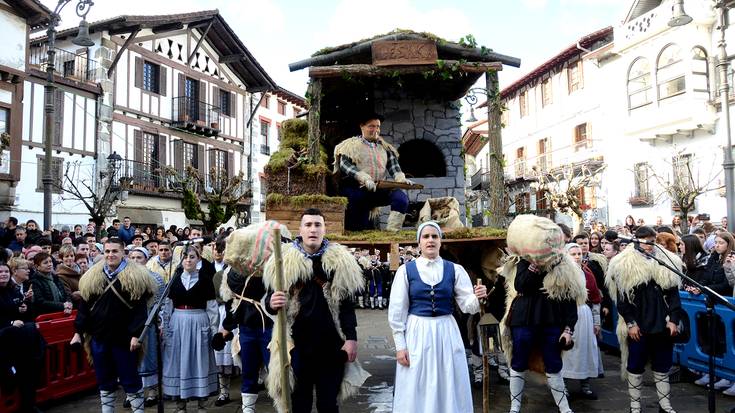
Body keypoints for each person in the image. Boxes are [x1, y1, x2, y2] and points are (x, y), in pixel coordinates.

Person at [266, 208, 367, 413]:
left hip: (331, 346)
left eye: (317, 225)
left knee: (328, 404)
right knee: (300, 403)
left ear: (324, 229)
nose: (313, 229)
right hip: (295, 346)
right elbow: (270, 296)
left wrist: (351, 338)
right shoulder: (282, 260)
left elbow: (347, 305)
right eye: (308, 225)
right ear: (300, 229)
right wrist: (271, 302)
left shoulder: (340, 261)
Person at [388, 222, 487, 412]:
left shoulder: (455, 270)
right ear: (419, 243)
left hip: (446, 331)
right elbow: (397, 311)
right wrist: (400, 346)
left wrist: (478, 297)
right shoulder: (405, 271)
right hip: (417, 333)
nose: (430, 240)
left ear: (441, 241)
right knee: (417, 382)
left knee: (447, 379)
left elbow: (468, 306)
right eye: (426, 237)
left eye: (435, 236)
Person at [500, 217, 585, 413]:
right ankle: (515, 407)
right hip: (525, 319)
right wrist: (535, 264)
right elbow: (521, 286)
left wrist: (568, 329)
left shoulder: (564, 265)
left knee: (553, 362)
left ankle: (564, 408)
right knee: (518, 360)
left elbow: (570, 299)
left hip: (551, 320)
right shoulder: (523, 261)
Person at [70, 237, 158, 413]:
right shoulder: (92, 277)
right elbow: (85, 308)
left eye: (114, 251)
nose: (110, 255)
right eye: (107, 251)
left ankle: (138, 411)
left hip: (125, 339)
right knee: (104, 380)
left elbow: (140, 311)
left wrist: (136, 335)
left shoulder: (136, 278)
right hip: (99, 337)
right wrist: (78, 332)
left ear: (123, 252)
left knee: (130, 379)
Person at [606, 226, 683, 413]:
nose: (650, 246)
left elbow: (673, 294)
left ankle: (665, 406)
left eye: (652, 241)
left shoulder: (666, 260)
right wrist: (631, 323)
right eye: (646, 242)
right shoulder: (622, 264)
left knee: (663, 364)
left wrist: (673, 318)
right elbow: (622, 300)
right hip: (638, 323)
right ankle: (635, 407)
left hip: (662, 322)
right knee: (635, 365)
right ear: (637, 241)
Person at [219, 221, 291, 412]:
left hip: (271, 327)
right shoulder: (233, 274)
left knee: (277, 372)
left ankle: (284, 407)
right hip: (247, 327)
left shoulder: (273, 270)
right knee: (248, 371)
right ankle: (248, 408)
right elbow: (233, 303)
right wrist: (226, 329)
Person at [161, 245, 219, 412]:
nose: (188, 259)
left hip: (199, 321)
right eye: (185, 256)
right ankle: (181, 406)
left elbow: (212, 307)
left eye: (192, 256)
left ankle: (202, 405)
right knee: (178, 361)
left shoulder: (205, 279)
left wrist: (213, 331)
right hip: (178, 322)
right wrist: (165, 327)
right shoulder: (175, 279)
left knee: (199, 360)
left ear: (198, 259)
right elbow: (168, 305)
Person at [333, 113, 411, 231]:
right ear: (362, 126)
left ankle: (392, 232)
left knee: (401, 198)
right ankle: (356, 234)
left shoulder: (384, 147)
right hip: (356, 190)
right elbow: (345, 165)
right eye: (371, 126)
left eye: (378, 126)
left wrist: (401, 179)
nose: (376, 130)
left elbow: (394, 167)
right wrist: (364, 178)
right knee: (360, 223)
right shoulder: (350, 145)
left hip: (377, 188)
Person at [0, 261, 45, 413]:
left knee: (28, 373)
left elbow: (23, 312)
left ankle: (29, 405)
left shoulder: (12, 290)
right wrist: (10, 322)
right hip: (5, 343)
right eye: (0, 272)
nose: (4, 274)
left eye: (6, 272)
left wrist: (24, 307)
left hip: (20, 342)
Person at [561, 243, 601, 400]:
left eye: (579, 253)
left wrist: (597, 322)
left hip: (583, 313)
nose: (577, 256)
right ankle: (562, 387)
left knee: (585, 349)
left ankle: (585, 386)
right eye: (573, 254)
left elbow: (596, 299)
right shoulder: (561, 274)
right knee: (566, 350)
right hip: (565, 316)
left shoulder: (587, 274)